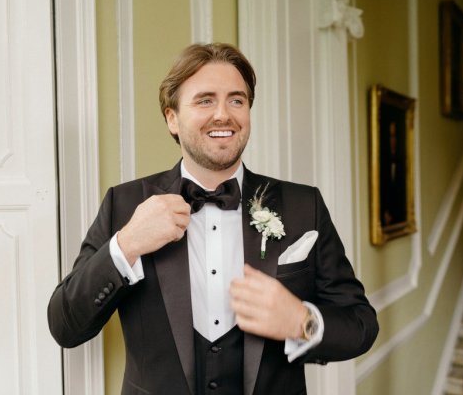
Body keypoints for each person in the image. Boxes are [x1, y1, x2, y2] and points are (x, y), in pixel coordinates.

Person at [48, 43, 378, 395]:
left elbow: (360, 325)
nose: (223, 114)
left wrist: (302, 321)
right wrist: (126, 245)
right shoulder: (125, 203)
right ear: (172, 117)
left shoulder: (302, 204)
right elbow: (66, 326)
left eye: (237, 100)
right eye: (205, 100)